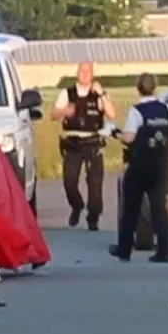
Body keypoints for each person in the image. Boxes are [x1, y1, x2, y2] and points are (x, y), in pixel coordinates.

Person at [109, 72, 168, 263]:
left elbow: (129, 138)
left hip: (140, 164)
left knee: (131, 207)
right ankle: (165, 250)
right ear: (155, 86)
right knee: (159, 208)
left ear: (138, 88)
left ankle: (124, 249)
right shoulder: (165, 109)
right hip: (161, 164)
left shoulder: (137, 111)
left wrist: (114, 132)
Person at [49, 60, 116, 230]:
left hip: (92, 141)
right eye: (82, 71)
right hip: (72, 143)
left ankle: (93, 217)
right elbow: (53, 115)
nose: (85, 74)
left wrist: (102, 94)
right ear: (77, 73)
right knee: (69, 180)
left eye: (88, 71)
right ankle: (76, 205)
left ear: (93, 74)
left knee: (95, 182)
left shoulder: (98, 94)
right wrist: (65, 111)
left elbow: (112, 114)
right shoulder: (67, 93)